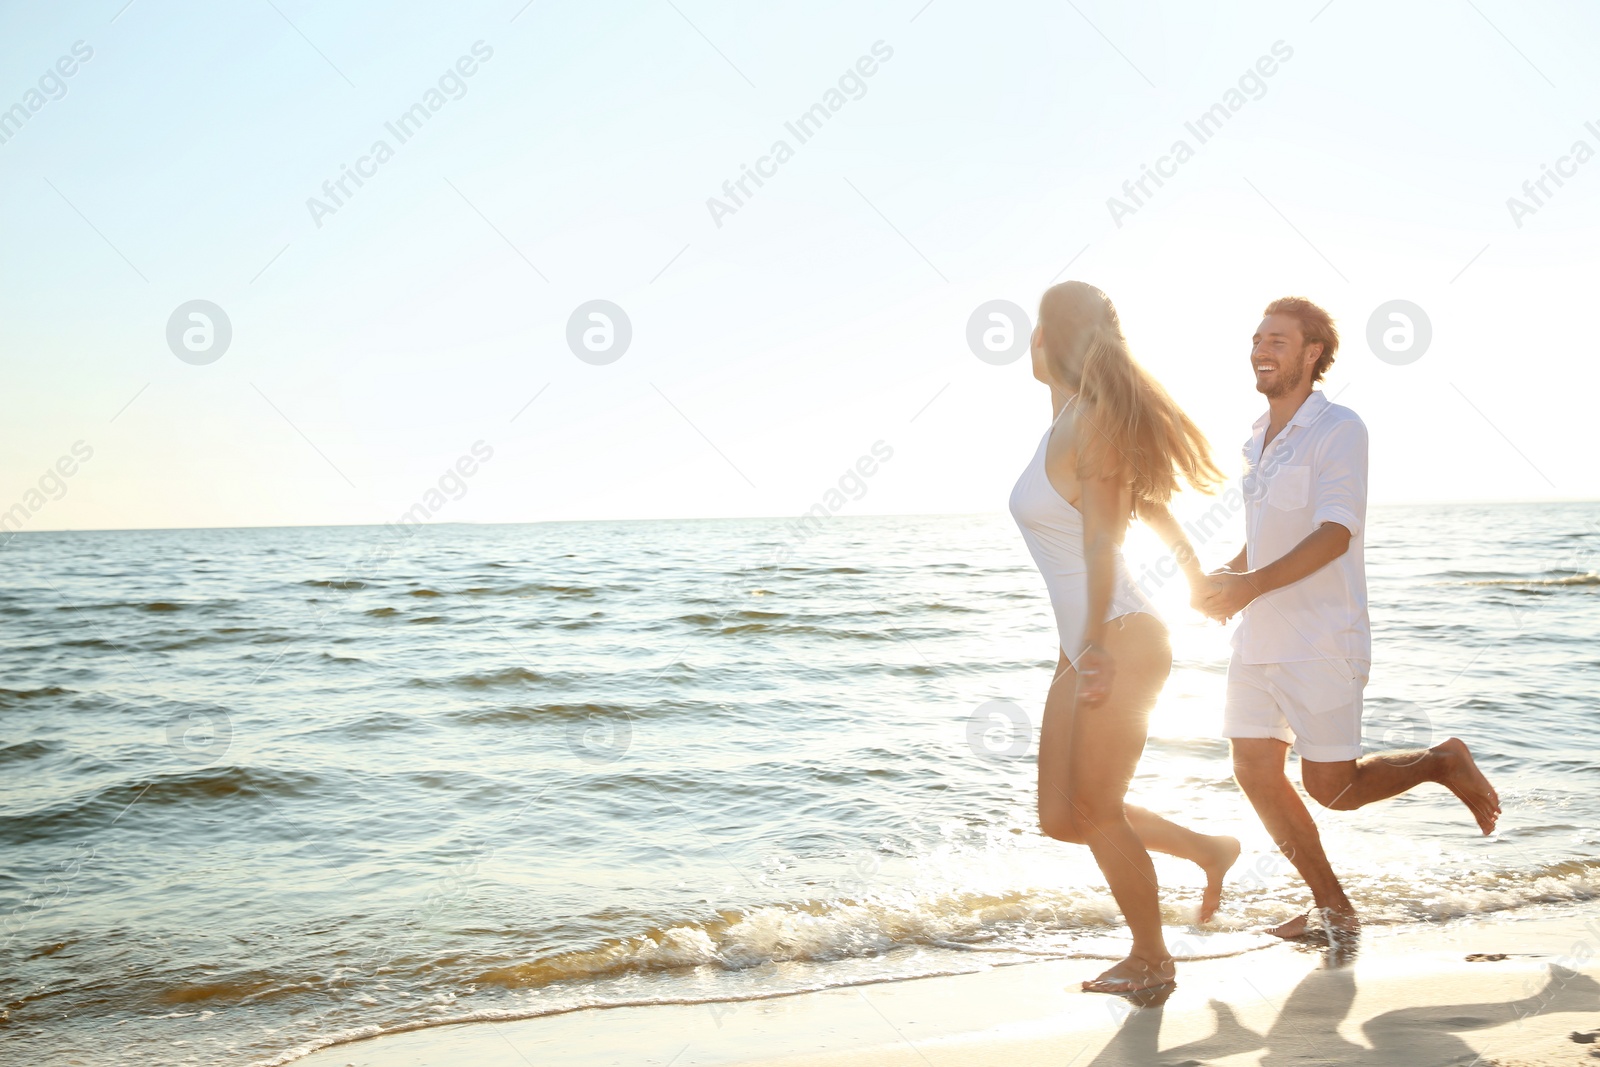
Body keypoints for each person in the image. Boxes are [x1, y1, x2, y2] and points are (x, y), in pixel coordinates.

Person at [1199, 296, 1501, 941]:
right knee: (1253, 769)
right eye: (1257, 338)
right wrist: (1229, 580)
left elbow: (1335, 531)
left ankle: (1440, 762)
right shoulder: (1257, 437)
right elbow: (1267, 534)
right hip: (1258, 639)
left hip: (1321, 636)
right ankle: (1335, 908)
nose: (1261, 349)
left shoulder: (1340, 428)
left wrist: (1250, 583)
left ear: (1313, 354)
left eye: (1277, 340)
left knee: (1331, 788)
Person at [1010, 280, 1241, 994]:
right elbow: (1149, 506)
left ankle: (1152, 958)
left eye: (1033, 329)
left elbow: (1105, 544)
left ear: (1045, 339)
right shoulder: (1068, 422)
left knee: (1099, 810)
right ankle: (1208, 848)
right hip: (1084, 641)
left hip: (1118, 638)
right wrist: (1193, 573)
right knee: (1060, 815)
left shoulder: (1093, 422)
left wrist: (1098, 648)